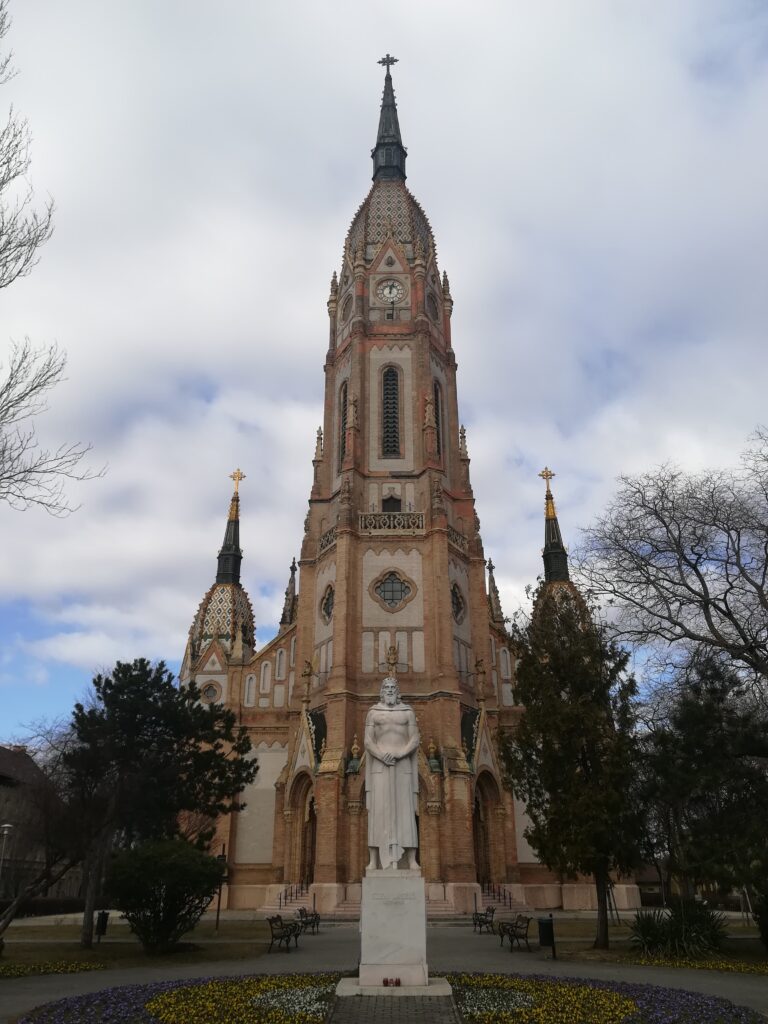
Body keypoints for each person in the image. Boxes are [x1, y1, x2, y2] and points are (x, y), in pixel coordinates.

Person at [364, 674, 420, 870]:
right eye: (386, 687)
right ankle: (373, 860)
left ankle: (412, 859)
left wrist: (400, 753)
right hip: (380, 767)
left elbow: (414, 738)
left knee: (405, 812)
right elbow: (368, 741)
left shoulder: (407, 712)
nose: (389, 690)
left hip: (402, 766)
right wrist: (381, 756)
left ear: (397, 692)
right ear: (381, 692)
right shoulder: (373, 713)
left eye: (392, 688)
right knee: (378, 812)